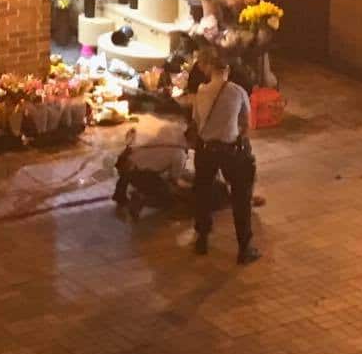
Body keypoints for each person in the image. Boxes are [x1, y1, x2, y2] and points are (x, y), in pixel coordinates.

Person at [192, 52, 261, 265]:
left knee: (202, 193)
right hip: (231, 150)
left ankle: (202, 239)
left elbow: (196, 121)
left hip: (206, 150)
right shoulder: (238, 92)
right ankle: (244, 247)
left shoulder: (201, 92)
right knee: (241, 198)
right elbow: (246, 124)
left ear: (210, 70)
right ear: (227, 70)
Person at [112, 128, 190, 219]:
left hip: (126, 167)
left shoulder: (162, 139)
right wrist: (184, 186)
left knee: (139, 168)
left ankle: (121, 194)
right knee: (169, 198)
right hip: (142, 175)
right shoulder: (180, 153)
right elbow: (174, 179)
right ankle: (141, 199)